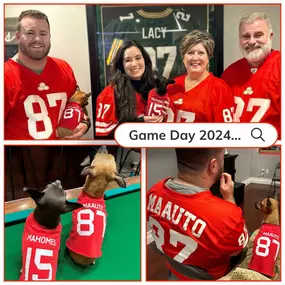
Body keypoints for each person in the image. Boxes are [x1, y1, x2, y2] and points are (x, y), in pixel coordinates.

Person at [147, 148, 248, 280]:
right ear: (213, 165)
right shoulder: (226, 215)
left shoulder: (154, 191)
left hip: (174, 271)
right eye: (223, 156)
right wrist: (229, 198)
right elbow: (238, 249)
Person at [4, 10, 90, 140]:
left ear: (49, 36)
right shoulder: (5, 76)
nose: (37, 39)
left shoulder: (64, 67)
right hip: (19, 158)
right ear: (18, 36)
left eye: (43, 33)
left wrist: (84, 123)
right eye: (30, 33)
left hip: (61, 157)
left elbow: (77, 104)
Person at [221, 12, 280, 139]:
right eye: (246, 36)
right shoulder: (229, 73)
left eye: (258, 35)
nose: (252, 41)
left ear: (270, 36)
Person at [95, 40, 166, 137]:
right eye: (128, 60)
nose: (134, 64)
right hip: (127, 151)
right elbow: (104, 136)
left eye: (138, 58)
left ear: (144, 59)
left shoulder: (157, 88)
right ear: (121, 64)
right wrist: (138, 123)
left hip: (157, 151)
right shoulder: (110, 92)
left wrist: (166, 116)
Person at [165, 30, 235, 123]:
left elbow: (225, 131)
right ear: (183, 57)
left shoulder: (219, 89)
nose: (195, 58)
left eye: (201, 53)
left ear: (208, 57)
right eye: (190, 53)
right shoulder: (172, 84)